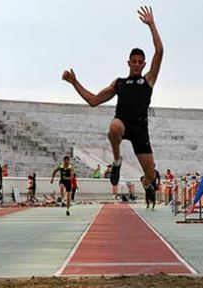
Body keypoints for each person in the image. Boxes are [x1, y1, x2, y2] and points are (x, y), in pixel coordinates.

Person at [62, 6, 163, 201]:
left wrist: (151, 24)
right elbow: (93, 101)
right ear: (128, 63)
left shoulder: (148, 80)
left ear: (143, 64)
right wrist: (75, 82)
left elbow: (159, 51)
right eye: (133, 61)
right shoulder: (119, 83)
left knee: (151, 174)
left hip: (140, 130)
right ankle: (117, 161)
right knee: (114, 127)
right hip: (123, 124)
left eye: (139, 61)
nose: (136, 64)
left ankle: (147, 183)